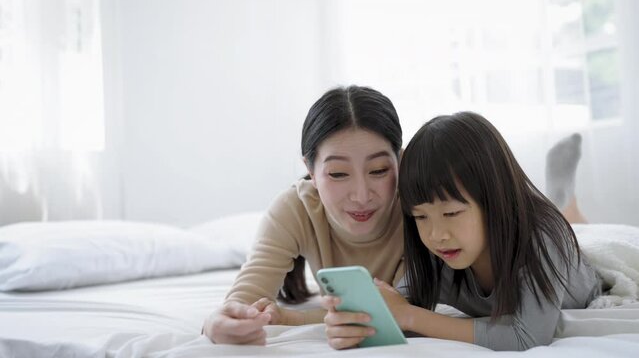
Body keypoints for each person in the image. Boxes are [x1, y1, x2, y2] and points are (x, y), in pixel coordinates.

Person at [321, 111, 601, 351]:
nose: (436, 234)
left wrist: (408, 316)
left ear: (494, 199)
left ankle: (564, 200)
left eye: (451, 213)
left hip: (577, 273)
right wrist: (361, 322)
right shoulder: (437, 252)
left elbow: (526, 338)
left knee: (570, 225)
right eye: (420, 216)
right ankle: (563, 198)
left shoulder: (542, 240)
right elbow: (399, 309)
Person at [203, 85, 406, 345]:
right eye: (338, 173)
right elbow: (242, 303)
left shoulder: (421, 209)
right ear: (310, 171)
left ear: (400, 161)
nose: (361, 196)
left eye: (378, 170)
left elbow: (407, 311)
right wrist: (218, 321)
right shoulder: (297, 208)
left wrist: (292, 319)